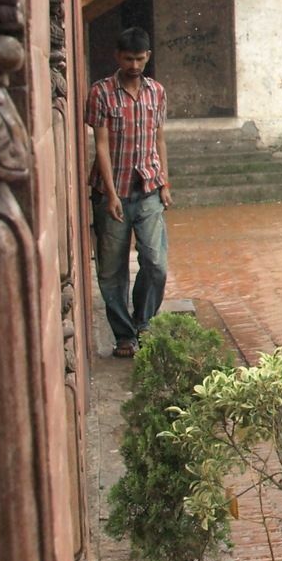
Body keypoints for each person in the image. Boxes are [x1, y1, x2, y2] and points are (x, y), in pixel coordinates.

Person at [87, 26, 172, 357]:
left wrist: (165, 181)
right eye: (128, 59)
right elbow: (101, 146)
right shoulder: (101, 92)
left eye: (139, 59)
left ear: (147, 57)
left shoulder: (157, 92)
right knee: (112, 271)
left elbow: (160, 138)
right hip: (113, 192)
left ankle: (143, 323)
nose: (134, 65)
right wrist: (109, 194)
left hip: (148, 188)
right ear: (117, 57)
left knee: (156, 264)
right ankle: (124, 336)